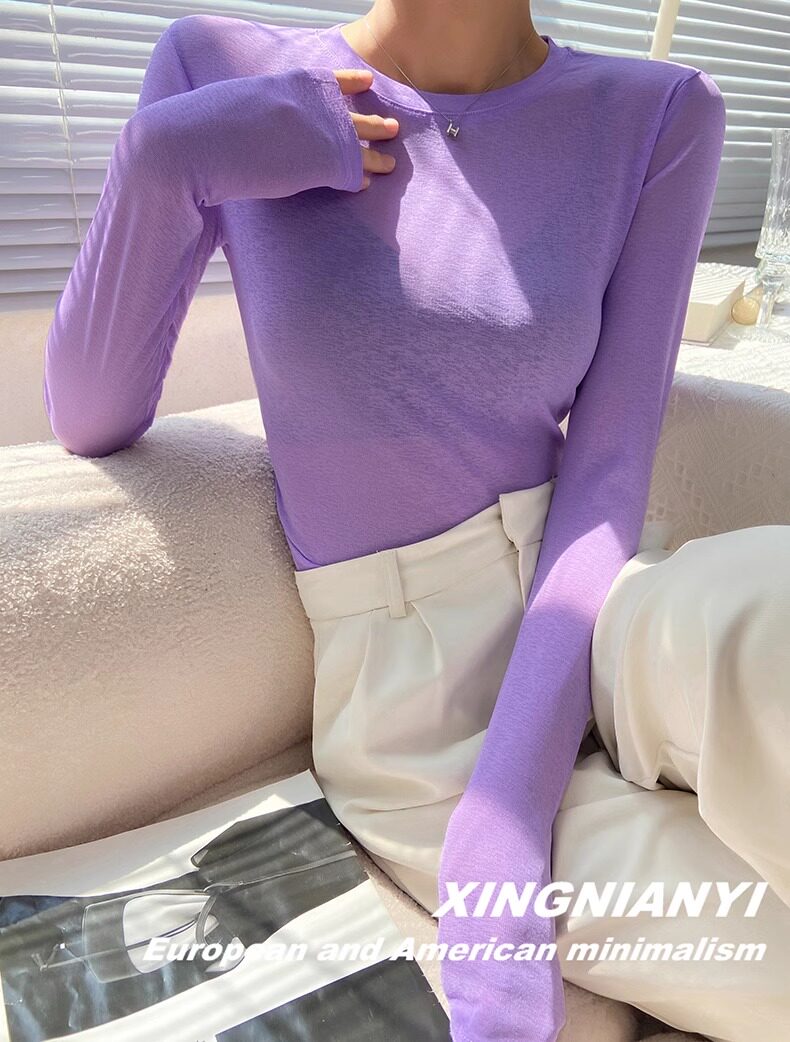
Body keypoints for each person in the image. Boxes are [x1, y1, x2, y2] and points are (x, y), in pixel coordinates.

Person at [42, 2, 789, 1040]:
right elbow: (90, 416)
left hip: (596, 600)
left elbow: (609, 468)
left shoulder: (660, 110)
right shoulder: (220, 68)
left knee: (772, 612)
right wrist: (161, 161)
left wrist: (506, 821)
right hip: (415, 709)